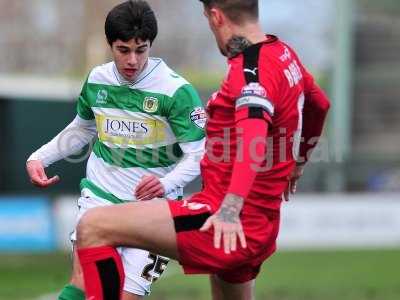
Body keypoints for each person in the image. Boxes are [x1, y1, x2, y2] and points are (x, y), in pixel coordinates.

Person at [75, 0, 331, 299]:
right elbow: (319, 104)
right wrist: (298, 163)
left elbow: (254, 137)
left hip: (224, 218)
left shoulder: (250, 72)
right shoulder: (284, 54)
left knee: (93, 226)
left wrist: (231, 209)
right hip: (261, 222)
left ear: (216, 16)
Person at [26, 1, 206, 300]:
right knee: (85, 286)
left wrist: (165, 183)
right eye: (123, 50)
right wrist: (39, 157)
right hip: (101, 197)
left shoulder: (175, 91)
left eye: (141, 49)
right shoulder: (98, 79)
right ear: (111, 45)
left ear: (151, 46)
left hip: (153, 211)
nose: (133, 59)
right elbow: (83, 128)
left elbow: (199, 155)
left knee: (124, 296)